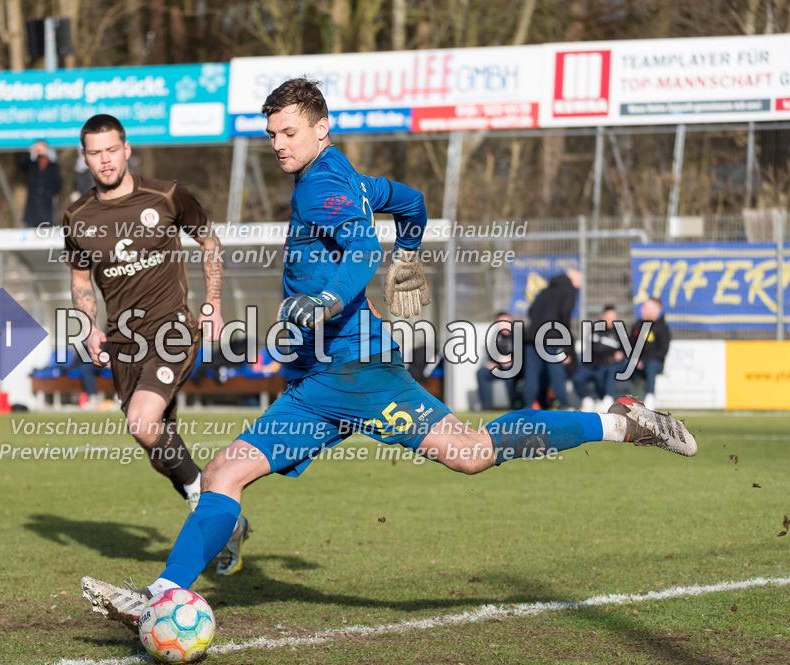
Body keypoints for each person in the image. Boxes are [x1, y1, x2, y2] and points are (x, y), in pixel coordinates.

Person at [79, 78, 698, 632]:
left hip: (350, 377)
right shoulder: (344, 175)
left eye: (289, 132)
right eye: (272, 134)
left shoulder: (323, 186)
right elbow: (410, 201)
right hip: (340, 374)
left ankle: (160, 595)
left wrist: (329, 294)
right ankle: (618, 423)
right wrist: (409, 254)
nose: (278, 144)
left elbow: (358, 250)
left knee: (227, 475)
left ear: (321, 128)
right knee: (468, 453)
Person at [62, 114, 249, 573]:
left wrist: (214, 304)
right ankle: (227, 519)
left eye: (111, 150)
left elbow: (209, 241)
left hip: (172, 329)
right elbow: (81, 281)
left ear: (126, 150)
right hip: (123, 344)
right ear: (84, 158)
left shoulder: (165, 195)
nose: (104, 160)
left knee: (141, 422)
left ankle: (205, 511)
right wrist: (88, 325)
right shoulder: (77, 216)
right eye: (94, 152)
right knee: (156, 443)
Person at [522, 268, 582, 410]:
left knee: (531, 374)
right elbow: (565, 314)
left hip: (532, 337)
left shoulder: (545, 290)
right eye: (580, 280)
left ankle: (529, 404)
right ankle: (563, 403)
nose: (581, 284)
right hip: (552, 337)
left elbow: (530, 312)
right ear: (573, 278)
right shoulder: (568, 289)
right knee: (556, 371)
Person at [572, 305, 626, 413]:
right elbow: (594, 349)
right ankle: (587, 401)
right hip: (591, 365)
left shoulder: (619, 332)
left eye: (613, 317)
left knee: (606, 374)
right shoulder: (594, 328)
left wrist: (614, 356)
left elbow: (624, 352)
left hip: (606, 366)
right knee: (577, 378)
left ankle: (605, 401)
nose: (611, 320)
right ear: (602, 316)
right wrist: (610, 355)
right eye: (608, 317)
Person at [626, 298, 671, 411]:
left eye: (645, 307)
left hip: (654, 363)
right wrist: (634, 358)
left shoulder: (662, 328)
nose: (642, 310)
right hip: (637, 362)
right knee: (620, 366)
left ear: (655, 310)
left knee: (651, 365)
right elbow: (629, 346)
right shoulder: (637, 325)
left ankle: (650, 398)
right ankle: (626, 399)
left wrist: (643, 360)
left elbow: (662, 351)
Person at [475, 311, 522, 410]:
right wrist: (494, 363)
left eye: (506, 321)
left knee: (509, 370)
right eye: (500, 322)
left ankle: (513, 404)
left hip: (517, 368)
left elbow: (525, 355)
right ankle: (487, 405)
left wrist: (512, 361)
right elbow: (492, 353)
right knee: (481, 372)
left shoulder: (519, 333)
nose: (503, 324)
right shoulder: (496, 335)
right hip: (500, 367)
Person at [18, 140, 63, 227]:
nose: (42, 159)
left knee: (46, 234)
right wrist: (32, 150)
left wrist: (49, 192)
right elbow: (21, 164)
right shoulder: (32, 165)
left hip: (46, 208)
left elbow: (58, 184)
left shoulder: (53, 167)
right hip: (32, 208)